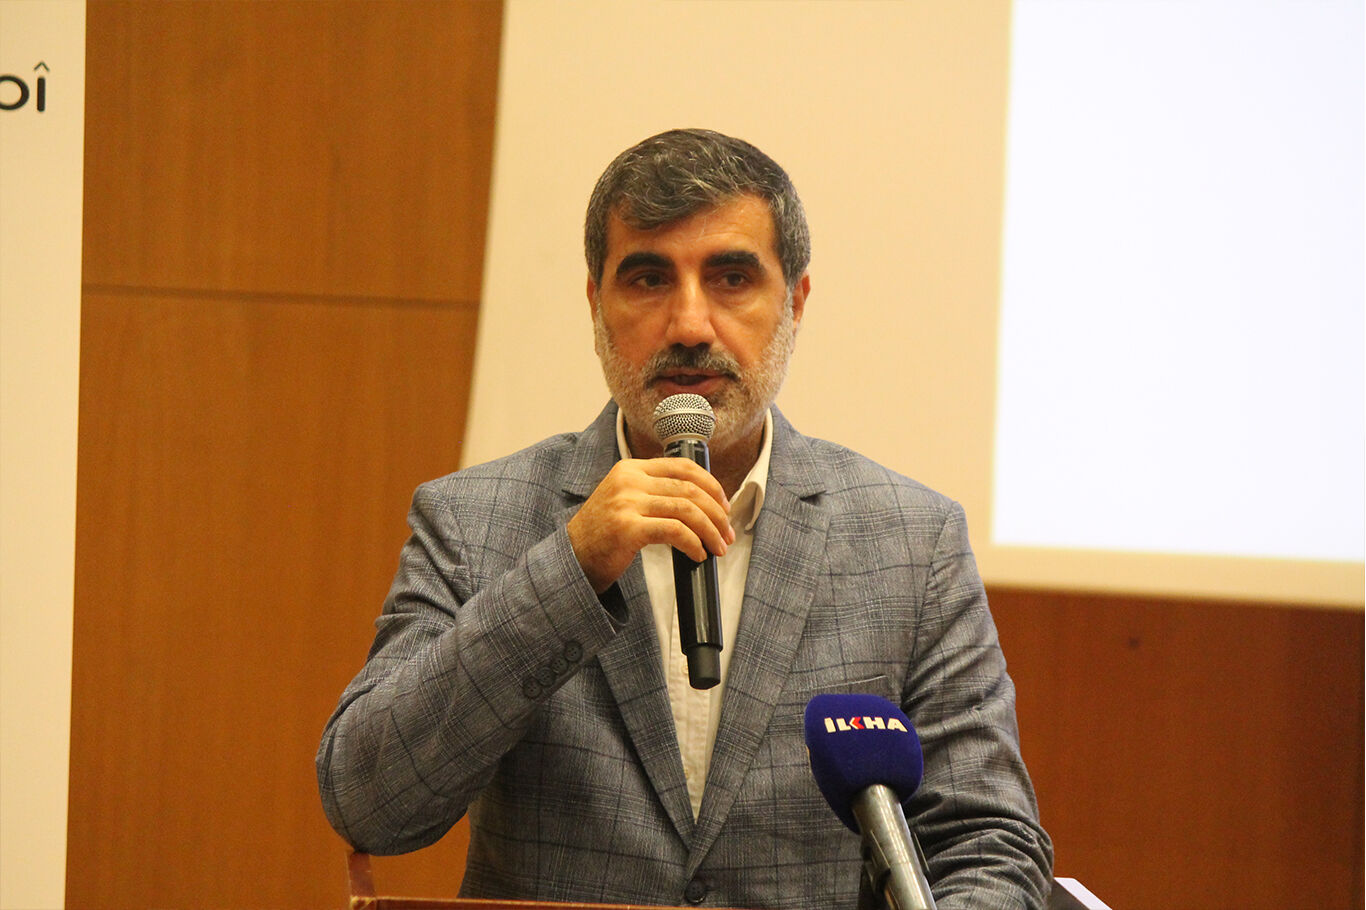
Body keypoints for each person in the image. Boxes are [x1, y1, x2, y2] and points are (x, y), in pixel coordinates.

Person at [317, 128, 1052, 910]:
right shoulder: (474, 519)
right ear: (596, 304)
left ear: (796, 303)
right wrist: (571, 570)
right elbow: (370, 803)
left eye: (732, 278)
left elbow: (987, 841)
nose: (690, 325)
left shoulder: (912, 540)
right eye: (648, 279)